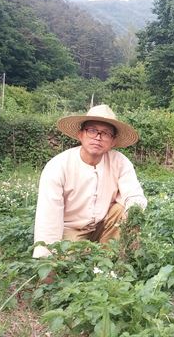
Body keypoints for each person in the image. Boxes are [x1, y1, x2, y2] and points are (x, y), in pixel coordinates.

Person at [32, 104, 147, 258]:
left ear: (113, 141)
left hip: (103, 225)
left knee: (124, 209)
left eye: (106, 133)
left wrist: (133, 213)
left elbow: (134, 195)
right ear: (80, 135)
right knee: (70, 261)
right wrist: (45, 258)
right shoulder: (58, 166)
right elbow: (48, 217)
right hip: (72, 230)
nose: (98, 137)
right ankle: (93, 257)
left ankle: (114, 260)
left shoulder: (119, 161)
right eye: (92, 130)